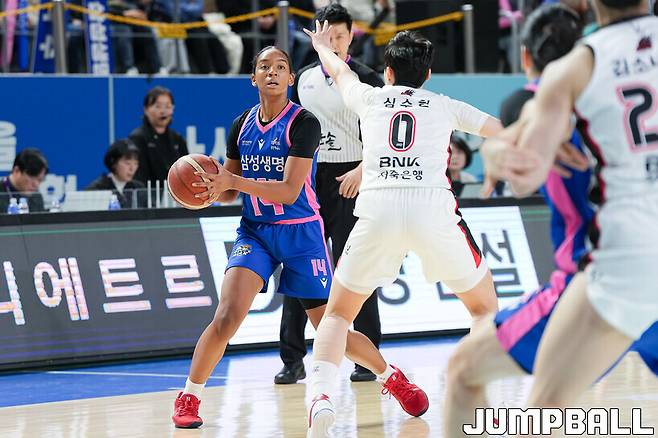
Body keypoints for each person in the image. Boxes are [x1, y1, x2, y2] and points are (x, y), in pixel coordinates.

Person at [170, 46, 428, 429]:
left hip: (302, 233)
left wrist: (232, 181)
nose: (272, 72)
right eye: (264, 67)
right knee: (226, 316)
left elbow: (290, 191)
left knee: (331, 330)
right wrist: (206, 190)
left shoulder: (304, 122)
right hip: (256, 232)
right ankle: (189, 396)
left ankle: (390, 376)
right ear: (253, 78)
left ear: (291, 78)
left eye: (280, 67)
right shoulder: (240, 125)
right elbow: (228, 189)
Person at [302, 23, 504, 436]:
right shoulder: (444, 105)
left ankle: (320, 398)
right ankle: (478, 399)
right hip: (433, 210)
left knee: (337, 314)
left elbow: (341, 71)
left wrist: (322, 46)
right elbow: (502, 130)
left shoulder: (371, 97)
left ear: (388, 72)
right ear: (427, 75)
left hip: (379, 209)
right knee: (484, 309)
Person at [469, 0, 658, 433]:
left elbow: (523, 174)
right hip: (620, 262)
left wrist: (495, 150)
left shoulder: (573, 71)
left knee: (534, 405)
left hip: (622, 264)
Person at [443, 5, 594, 435]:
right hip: (628, 270)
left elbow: (524, 179)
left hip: (593, 277)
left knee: (467, 371)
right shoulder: (604, 91)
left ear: (525, 56)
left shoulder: (532, 99)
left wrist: (498, 150)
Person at [275, 3, 385, 386]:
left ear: (351, 36)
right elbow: (289, 131)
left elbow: (385, 136)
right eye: (328, 36)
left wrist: (362, 169)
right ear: (316, 37)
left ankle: (367, 358)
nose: (335, 42)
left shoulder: (368, 79)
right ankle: (292, 358)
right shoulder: (302, 78)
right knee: (299, 266)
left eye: (340, 35)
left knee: (357, 268)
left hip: (354, 178)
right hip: (309, 180)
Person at [130, 86, 188, 188]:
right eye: (158, 106)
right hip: (148, 193)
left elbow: (187, 170)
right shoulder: (138, 138)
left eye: (168, 106)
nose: (163, 111)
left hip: (174, 194)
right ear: (146, 109)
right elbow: (138, 176)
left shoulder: (177, 139)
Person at [85, 139, 147, 208]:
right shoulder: (98, 189)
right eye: (127, 163)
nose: (132, 169)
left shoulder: (138, 188)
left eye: (135, 163)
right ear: (113, 163)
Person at [0, 148, 48, 213]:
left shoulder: (36, 196)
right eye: (32, 177)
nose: (36, 185)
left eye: (40, 180)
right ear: (16, 170)